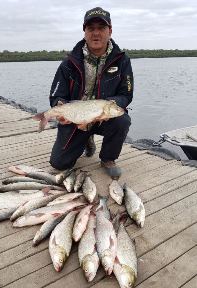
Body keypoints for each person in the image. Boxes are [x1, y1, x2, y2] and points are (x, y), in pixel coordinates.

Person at [49, 7, 133, 179]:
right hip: (77, 116)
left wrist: (108, 104)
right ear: (84, 31)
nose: (96, 33)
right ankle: (86, 138)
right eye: (91, 28)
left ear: (110, 31)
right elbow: (57, 94)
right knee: (59, 164)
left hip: (105, 117)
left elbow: (126, 94)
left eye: (101, 28)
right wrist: (59, 107)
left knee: (122, 119)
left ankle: (108, 159)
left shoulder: (122, 60)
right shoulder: (69, 62)